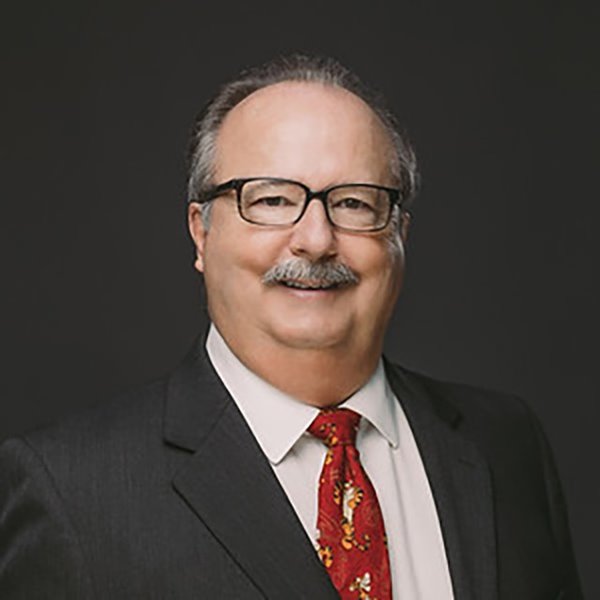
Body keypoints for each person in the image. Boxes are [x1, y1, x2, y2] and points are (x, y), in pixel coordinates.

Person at [0, 54, 583, 599]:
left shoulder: (506, 444)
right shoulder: (69, 489)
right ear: (201, 233)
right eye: (272, 200)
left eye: (354, 203)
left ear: (399, 235)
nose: (316, 239)